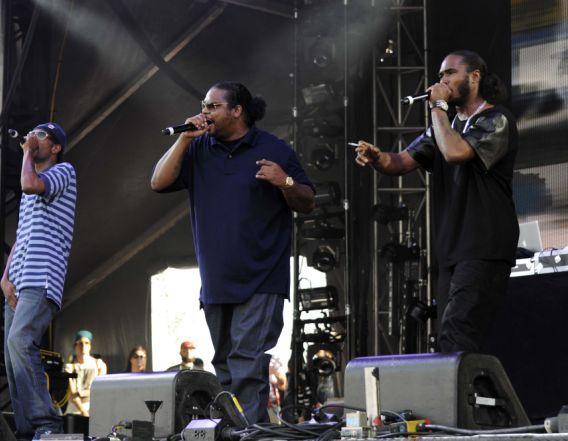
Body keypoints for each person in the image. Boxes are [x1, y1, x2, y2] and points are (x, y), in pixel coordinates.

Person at [150, 81, 315, 424]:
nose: (204, 112)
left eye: (212, 106)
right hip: (216, 278)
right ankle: (242, 430)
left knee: (247, 362)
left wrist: (284, 181)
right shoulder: (198, 149)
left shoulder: (274, 148)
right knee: (224, 366)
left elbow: (307, 200)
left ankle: (247, 434)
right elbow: (158, 182)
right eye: (204, 106)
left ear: (237, 110)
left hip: (261, 275)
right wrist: (184, 138)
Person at [355, 50, 518, 353]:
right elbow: (400, 162)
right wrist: (378, 158)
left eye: (449, 73)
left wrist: (439, 107)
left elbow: (456, 152)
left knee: (458, 332)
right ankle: (469, 398)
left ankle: (463, 400)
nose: (442, 80)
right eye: (441, 75)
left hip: (484, 244)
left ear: (474, 76)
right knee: (449, 337)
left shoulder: (497, 120)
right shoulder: (445, 128)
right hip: (453, 248)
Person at [0, 122, 76, 440]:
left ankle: (46, 421)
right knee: (10, 351)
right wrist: (5, 277)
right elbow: (21, 237)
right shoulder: (32, 183)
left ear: (56, 147)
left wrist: (27, 154)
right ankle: (25, 429)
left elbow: (30, 184)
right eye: (31, 135)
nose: (33, 139)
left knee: (21, 343)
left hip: (42, 277)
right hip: (19, 278)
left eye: (41, 136)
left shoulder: (63, 172)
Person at [65, 330, 107, 417]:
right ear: (75, 346)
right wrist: (83, 412)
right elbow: (72, 394)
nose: (83, 346)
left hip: (94, 408)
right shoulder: (69, 367)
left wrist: (80, 393)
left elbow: (99, 390)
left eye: (86, 343)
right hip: (74, 411)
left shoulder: (99, 364)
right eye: (80, 343)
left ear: (90, 346)